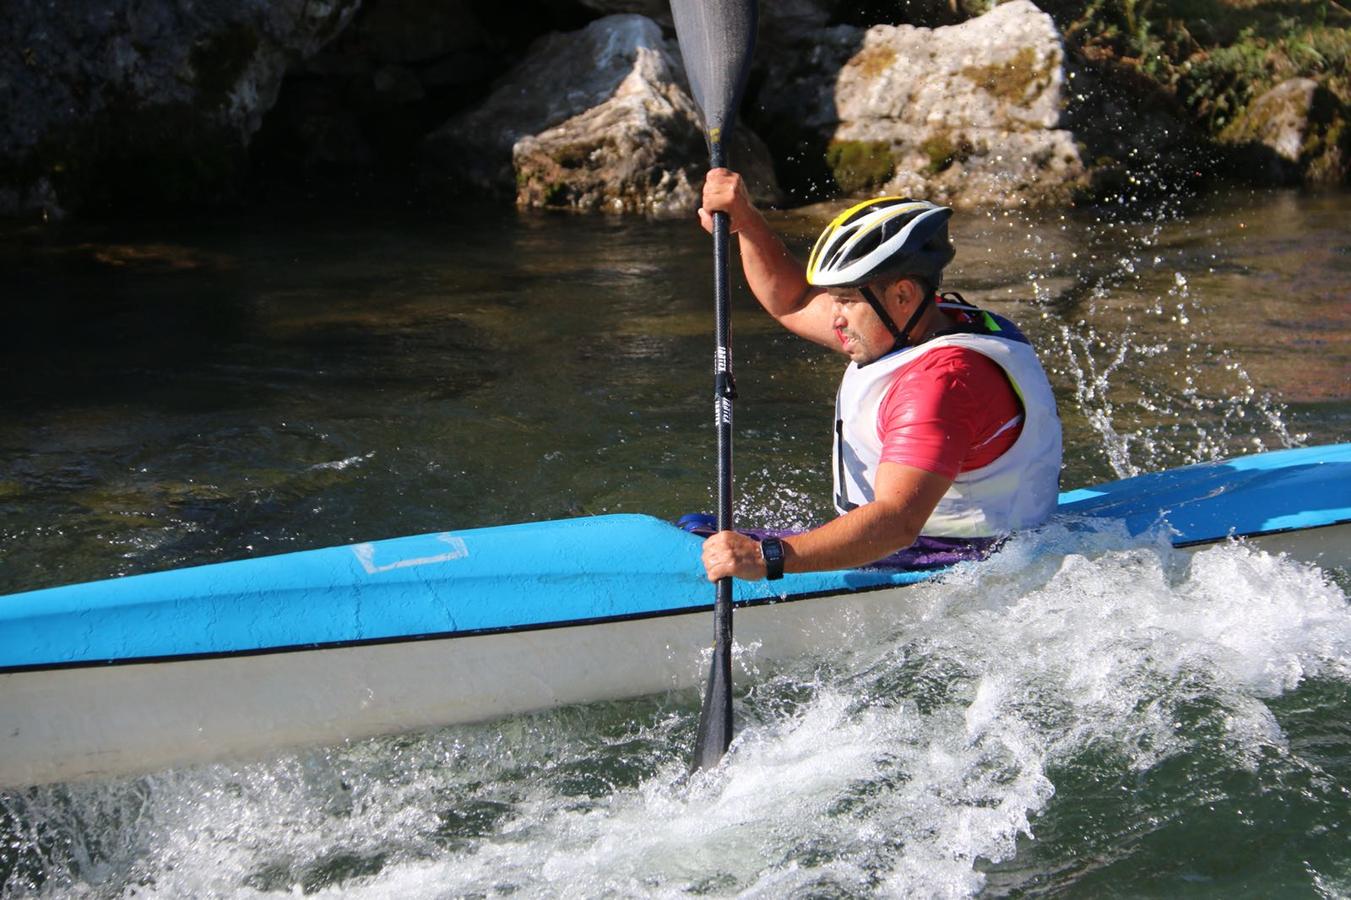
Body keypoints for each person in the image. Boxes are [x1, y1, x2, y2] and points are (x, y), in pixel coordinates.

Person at [696, 168, 1062, 583]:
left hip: (953, 561)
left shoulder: (940, 385)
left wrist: (769, 558)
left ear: (903, 294)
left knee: (697, 538)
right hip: (937, 538)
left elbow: (896, 522)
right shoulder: (931, 323)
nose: (834, 318)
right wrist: (745, 221)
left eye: (847, 301)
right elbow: (793, 301)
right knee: (699, 529)